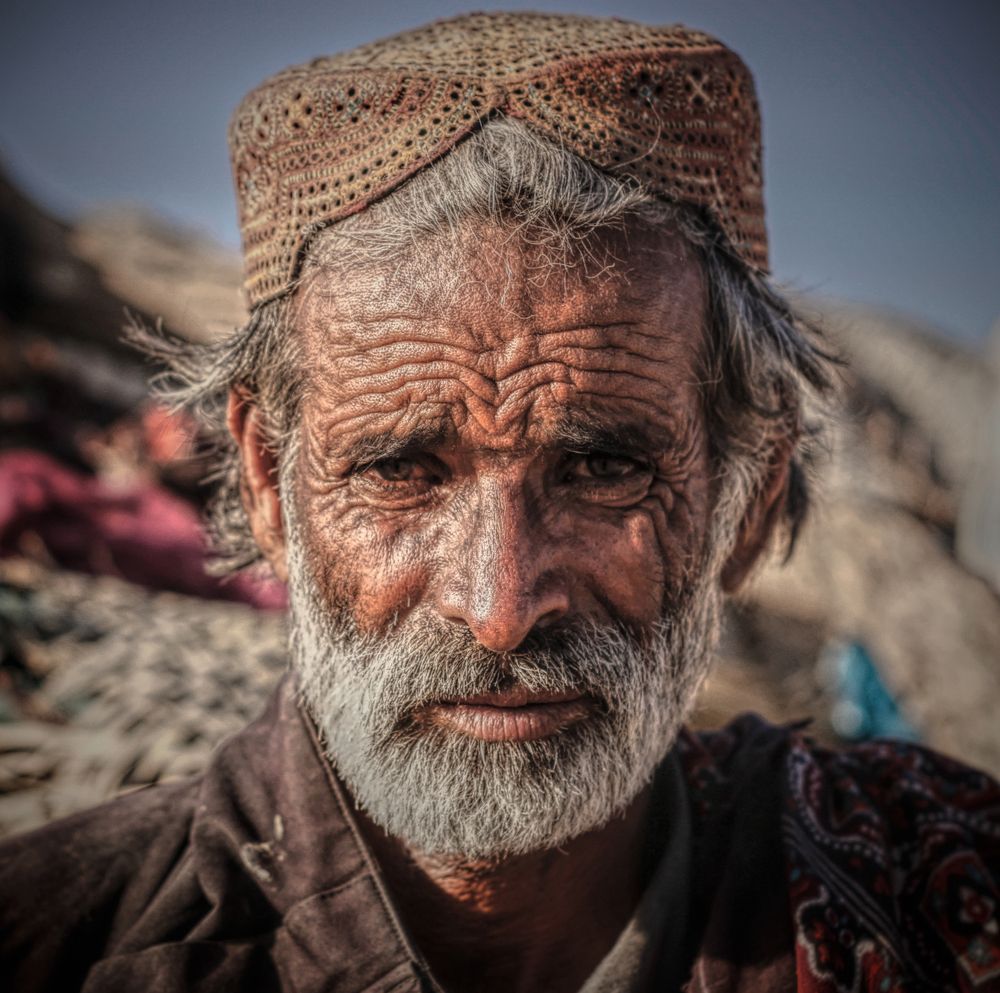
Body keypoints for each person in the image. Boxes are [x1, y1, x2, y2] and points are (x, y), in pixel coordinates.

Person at [1, 12, 997, 993]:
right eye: (398, 470)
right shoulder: (59, 942)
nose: (500, 607)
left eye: (603, 469)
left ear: (748, 500)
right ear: (267, 483)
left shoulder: (947, 895)